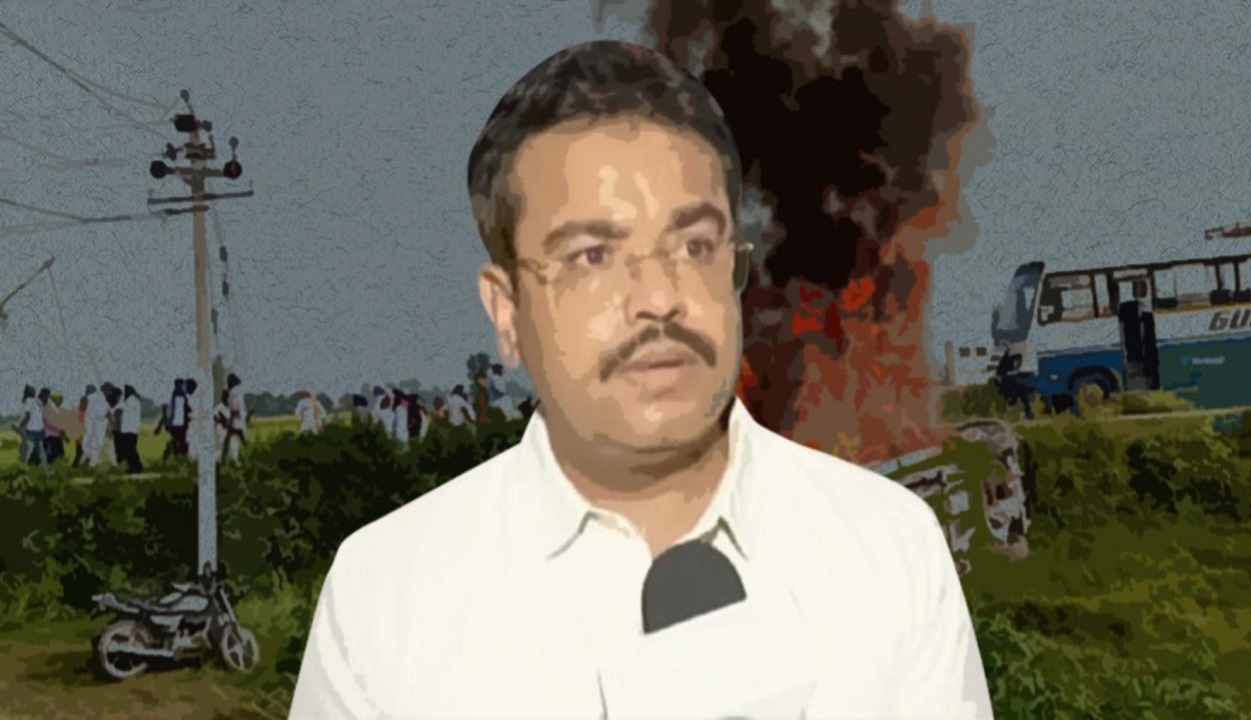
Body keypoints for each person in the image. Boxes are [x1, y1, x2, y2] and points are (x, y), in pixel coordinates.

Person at [290, 41, 991, 719]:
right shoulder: (384, 598)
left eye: (694, 245)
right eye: (592, 256)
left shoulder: (888, 546)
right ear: (506, 311)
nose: (659, 297)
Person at [16, 385, 51, 475]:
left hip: (32, 430)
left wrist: (20, 426)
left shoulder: (29, 401)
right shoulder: (36, 401)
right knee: (40, 451)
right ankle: (46, 470)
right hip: (40, 429)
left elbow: (28, 416)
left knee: (27, 449)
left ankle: (24, 469)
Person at [114, 385, 144, 474]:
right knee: (129, 450)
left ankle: (136, 467)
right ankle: (133, 467)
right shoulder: (127, 400)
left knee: (131, 450)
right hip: (127, 429)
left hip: (130, 429)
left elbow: (119, 409)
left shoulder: (132, 401)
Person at [225, 374, 245, 463]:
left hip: (234, 418)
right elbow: (235, 407)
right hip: (235, 419)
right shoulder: (235, 393)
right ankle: (235, 459)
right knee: (235, 439)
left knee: (234, 439)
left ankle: (233, 458)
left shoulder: (231, 392)